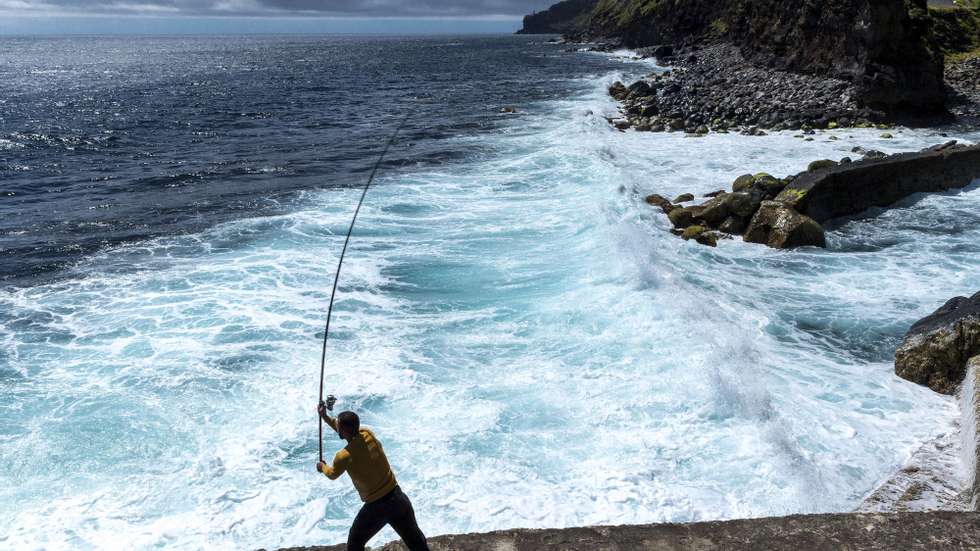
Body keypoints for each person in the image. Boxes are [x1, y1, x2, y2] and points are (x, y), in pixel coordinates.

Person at [316, 401, 430, 551]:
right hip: (398, 498)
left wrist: (322, 467)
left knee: (355, 543)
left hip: (377, 506)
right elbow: (343, 429)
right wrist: (324, 416)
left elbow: (332, 474)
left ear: (343, 430)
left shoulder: (343, 456)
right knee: (417, 543)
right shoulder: (367, 433)